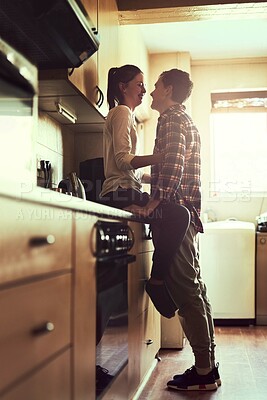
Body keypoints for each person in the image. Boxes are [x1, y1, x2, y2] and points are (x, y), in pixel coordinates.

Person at [128, 68, 220, 392]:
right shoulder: (183, 120)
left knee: (186, 291)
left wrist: (153, 203)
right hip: (187, 216)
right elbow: (174, 166)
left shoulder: (171, 120)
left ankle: (204, 371)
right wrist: (148, 179)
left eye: (155, 86)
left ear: (168, 89)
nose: (151, 92)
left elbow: (174, 165)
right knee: (195, 289)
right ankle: (208, 365)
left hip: (176, 217)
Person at [99, 64, 190, 317]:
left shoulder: (126, 116)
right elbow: (122, 160)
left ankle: (158, 281)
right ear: (123, 87)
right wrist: (162, 157)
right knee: (180, 215)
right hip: (120, 193)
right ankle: (157, 282)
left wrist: (159, 171)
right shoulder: (120, 112)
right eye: (139, 84)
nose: (144, 89)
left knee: (174, 213)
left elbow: (134, 171)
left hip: (125, 191)